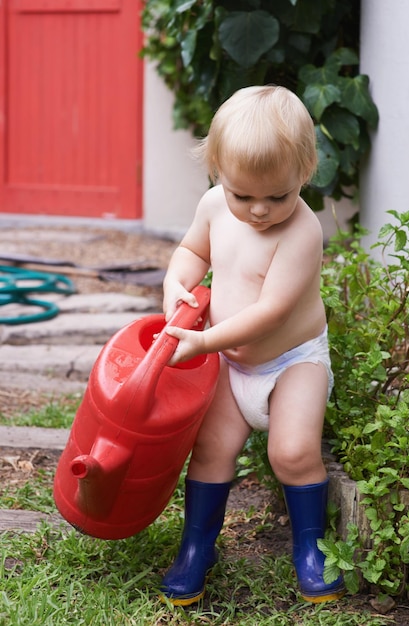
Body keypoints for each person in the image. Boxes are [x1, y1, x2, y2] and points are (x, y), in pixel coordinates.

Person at [160, 85, 345, 606]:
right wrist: (177, 284)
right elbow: (191, 250)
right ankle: (197, 545)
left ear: (305, 173)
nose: (260, 211)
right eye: (244, 196)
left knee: (293, 451)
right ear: (219, 172)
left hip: (292, 363)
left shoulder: (303, 232)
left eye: (277, 197)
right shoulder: (216, 206)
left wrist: (201, 341)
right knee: (212, 448)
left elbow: (269, 314)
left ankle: (311, 546)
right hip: (232, 365)